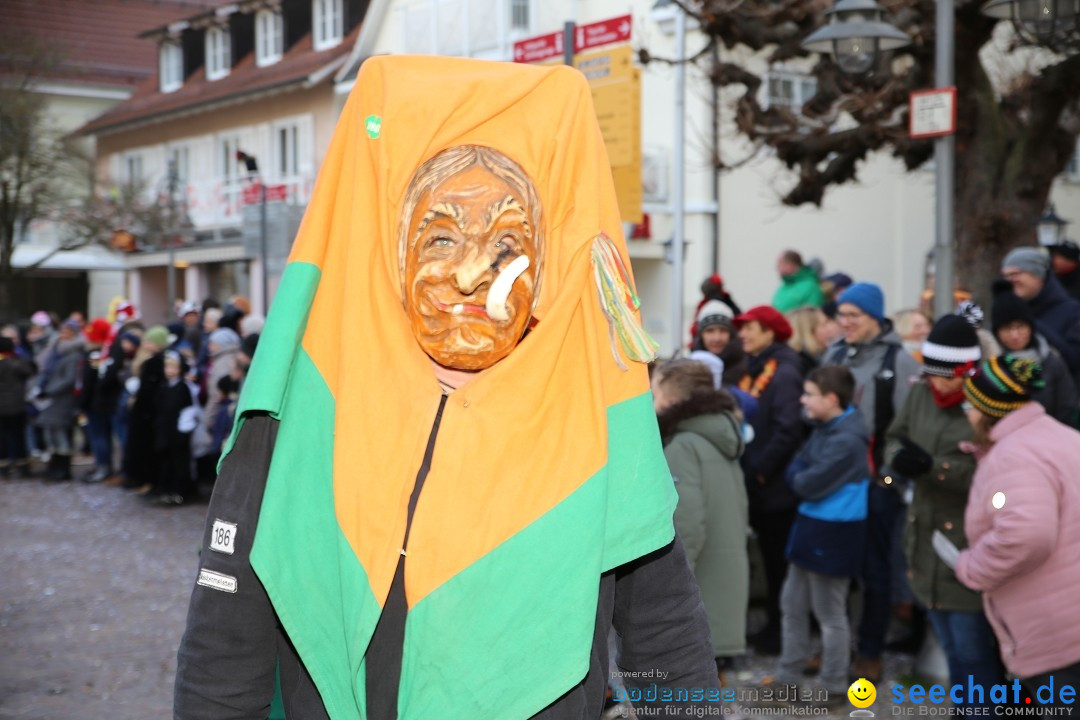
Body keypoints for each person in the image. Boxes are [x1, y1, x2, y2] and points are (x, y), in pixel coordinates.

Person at [175, 57, 720, 719]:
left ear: (547, 266)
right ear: (388, 246)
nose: (470, 274)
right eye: (439, 237)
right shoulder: (300, 421)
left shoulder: (592, 428)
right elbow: (224, 652)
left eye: (508, 243)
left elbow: (664, 632)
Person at [943, 355, 1080, 708]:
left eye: (969, 406)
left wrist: (972, 567)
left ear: (987, 409)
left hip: (1059, 635)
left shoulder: (1013, 458)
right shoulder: (1060, 436)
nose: (966, 415)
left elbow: (1024, 533)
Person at [884, 315, 1003, 707]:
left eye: (946, 376)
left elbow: (997, 476)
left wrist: (934, 469)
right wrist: (897, 461)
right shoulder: (922, 392)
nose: (937, 384)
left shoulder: (986, 405)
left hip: (967, 540)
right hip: (924, 535)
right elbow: (895, 436)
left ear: (967, 371)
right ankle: (964, 709)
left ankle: (981, 712)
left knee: (973, 652)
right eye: (931, 374)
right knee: (951, 647)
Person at [823, 281, 920, 682]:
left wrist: (889, 478)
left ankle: (871, 651)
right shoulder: (834, 354)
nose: (843, 323)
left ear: (875, 318)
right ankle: (835, 649)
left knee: (874, 572)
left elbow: (909, 428)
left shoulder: (899, 362)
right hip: (835, 485)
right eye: (841, 315)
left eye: (853, 316)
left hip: (877, 488)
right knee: (832, 570)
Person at [653, 359, 749, 676]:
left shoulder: (684, 445)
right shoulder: (718, 435)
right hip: (721, 579)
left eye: (654, 396)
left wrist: (670, 595)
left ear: (672, 402)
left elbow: (686, 527)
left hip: (697, 589)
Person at [778, 365, 869, 695]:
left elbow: (804, 482)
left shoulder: (847, 441)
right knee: (792, 605)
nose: (802, 400)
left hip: (833, 535)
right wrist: (802, 471)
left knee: (830, 614)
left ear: (831, 399)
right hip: (811, 528)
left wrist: (802, 471)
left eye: (809, 394)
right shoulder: (822, 426)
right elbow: (797, 467)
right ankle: (787, 681)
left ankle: (834, 687)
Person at [733, 305, 805, 655]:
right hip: (763, 485)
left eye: (751, 328)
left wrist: (759, 468)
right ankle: (774, 627)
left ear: (771, 332)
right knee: (772, 561)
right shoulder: (758, 367)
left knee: (780, 564)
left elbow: (788, 428)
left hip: (775, 487)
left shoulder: (784, 371)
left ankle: (781, 634)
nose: (743, 333)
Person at [991, 291, 1077, 426]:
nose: (1015, 335)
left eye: (1020, 327)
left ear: (1031, 328)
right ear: (996, 332)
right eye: (1007, 328)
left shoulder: (1051, 363)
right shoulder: (991, 367)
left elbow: (1067, 409)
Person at [1000, 246, 1080, 385]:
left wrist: (1031, 324)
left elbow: (1074, 360)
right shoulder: (1006, 312)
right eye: (1006, 276)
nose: (1010, 280)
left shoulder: (1072, 312)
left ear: (1038, 276)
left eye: (1016, 274)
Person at [33, 319, 85, 481]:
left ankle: (62, 469)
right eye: (62, 332)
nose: (63, 335)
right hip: (51, 399)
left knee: (61, 433)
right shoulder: (55, 351)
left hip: (63, 400)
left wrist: (49, 389)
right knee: (50, 432)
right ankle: (54, 465)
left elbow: (69, 379)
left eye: (67, 332)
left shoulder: (74, 355)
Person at [0, 336, 35, 478]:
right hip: (17, 406)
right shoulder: (16, 363)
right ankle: (22, 466)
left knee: (2, 438)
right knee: (19, 436)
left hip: (1, 407)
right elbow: (29, 372)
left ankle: (4, 466)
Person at [785, 306, 829, 375]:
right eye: (823, 325)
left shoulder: (789, 359)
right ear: (809, 331)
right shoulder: (802, 365)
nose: (828, 330)